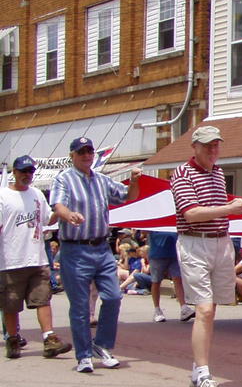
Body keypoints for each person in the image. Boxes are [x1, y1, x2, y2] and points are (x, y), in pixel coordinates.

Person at [170, 125, 242, 387]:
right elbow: (191, 213)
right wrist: (230, 209)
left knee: (211, 309)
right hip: (195, 242)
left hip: (220, 242)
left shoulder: (218, 172)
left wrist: (228, 213)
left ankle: (197, 370)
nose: (213, 151)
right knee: (203, 309)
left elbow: (215, 210)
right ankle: (203, 374)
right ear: (195, 147)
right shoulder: (182, 174)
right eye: (207, 146)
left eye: (216, 145)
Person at [51, 136, 141, 373]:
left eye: (90, 151)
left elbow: (129, 197)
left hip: (101, 248)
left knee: (113, 297)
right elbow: (58, 205)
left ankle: (101, 345)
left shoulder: (102, 180)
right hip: (75, 248)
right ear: (72, 155)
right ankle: (83, 355)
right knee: (80, 305)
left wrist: (134, 181)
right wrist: (69, 215)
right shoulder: (64, 179)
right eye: (81, 152)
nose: (87, 155)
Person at [1, 155, 71, 360]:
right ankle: (12, 338)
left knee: (42, 299)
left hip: (37, 258)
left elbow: (47, 218)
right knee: (11, 304)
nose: (27, 175)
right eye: (23, 171)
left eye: (30, 172)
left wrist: (60, 209)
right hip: (10, 260)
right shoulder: (3, 196)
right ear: (14, 172)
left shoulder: (37, 194)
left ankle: (49, 339)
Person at [148, 230, 194, 322]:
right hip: (157, 255)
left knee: (178, 279)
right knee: (156, 282)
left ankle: (183, 308)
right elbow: (144, 231)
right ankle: (157, 310)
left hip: (174, 253)